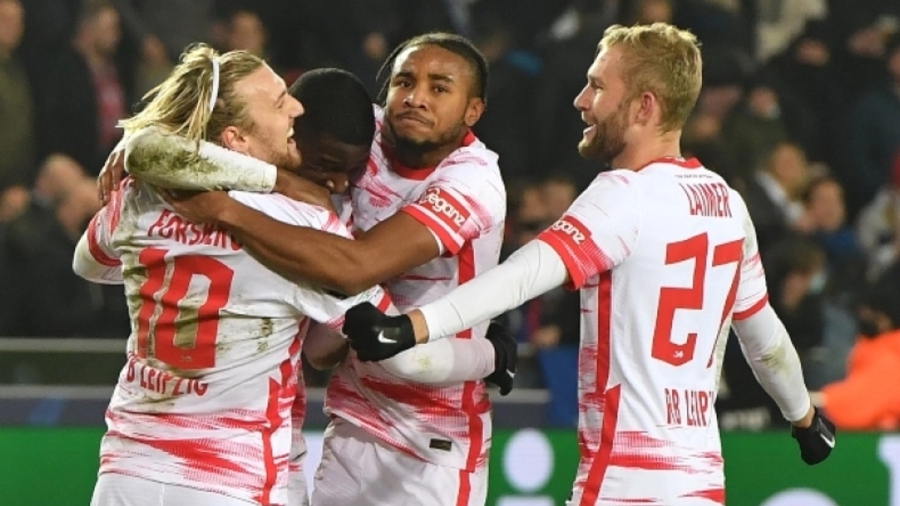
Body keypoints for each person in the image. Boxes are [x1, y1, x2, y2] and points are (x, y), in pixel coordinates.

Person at [341, 23, 837, 505]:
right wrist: (804, 418)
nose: (581, 100)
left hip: (623, 482)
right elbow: (764, 338)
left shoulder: (625, 195)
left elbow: (523, 275)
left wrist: (413, 326)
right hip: (699, 483)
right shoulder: (727, 204)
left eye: (597, 87)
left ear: (644, 106)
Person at [76, 45, 506, 506]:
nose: (296, 109)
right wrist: (491, 354)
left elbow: (89, 263)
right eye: (281, 102)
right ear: (238, 138)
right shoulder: (304, 233)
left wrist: (147, 161)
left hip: (127, 468)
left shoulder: (143, 193)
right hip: (232, 478)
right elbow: (386, 346)